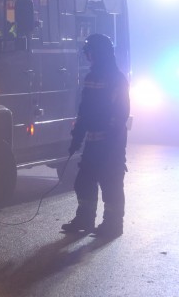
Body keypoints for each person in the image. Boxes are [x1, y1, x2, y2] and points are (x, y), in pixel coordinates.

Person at [62, 34, 130, 237]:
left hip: (111, 141)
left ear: (99, 53)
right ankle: (85, 219)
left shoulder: (117, 79)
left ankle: (113, 224)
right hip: (93, 140)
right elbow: (85, 109)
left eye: (90, 51)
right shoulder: (92, 77)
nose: (88, 55)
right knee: (84, 180)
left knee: (111, 183)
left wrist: (109, 137)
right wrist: (78, 135)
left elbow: (121, 111)